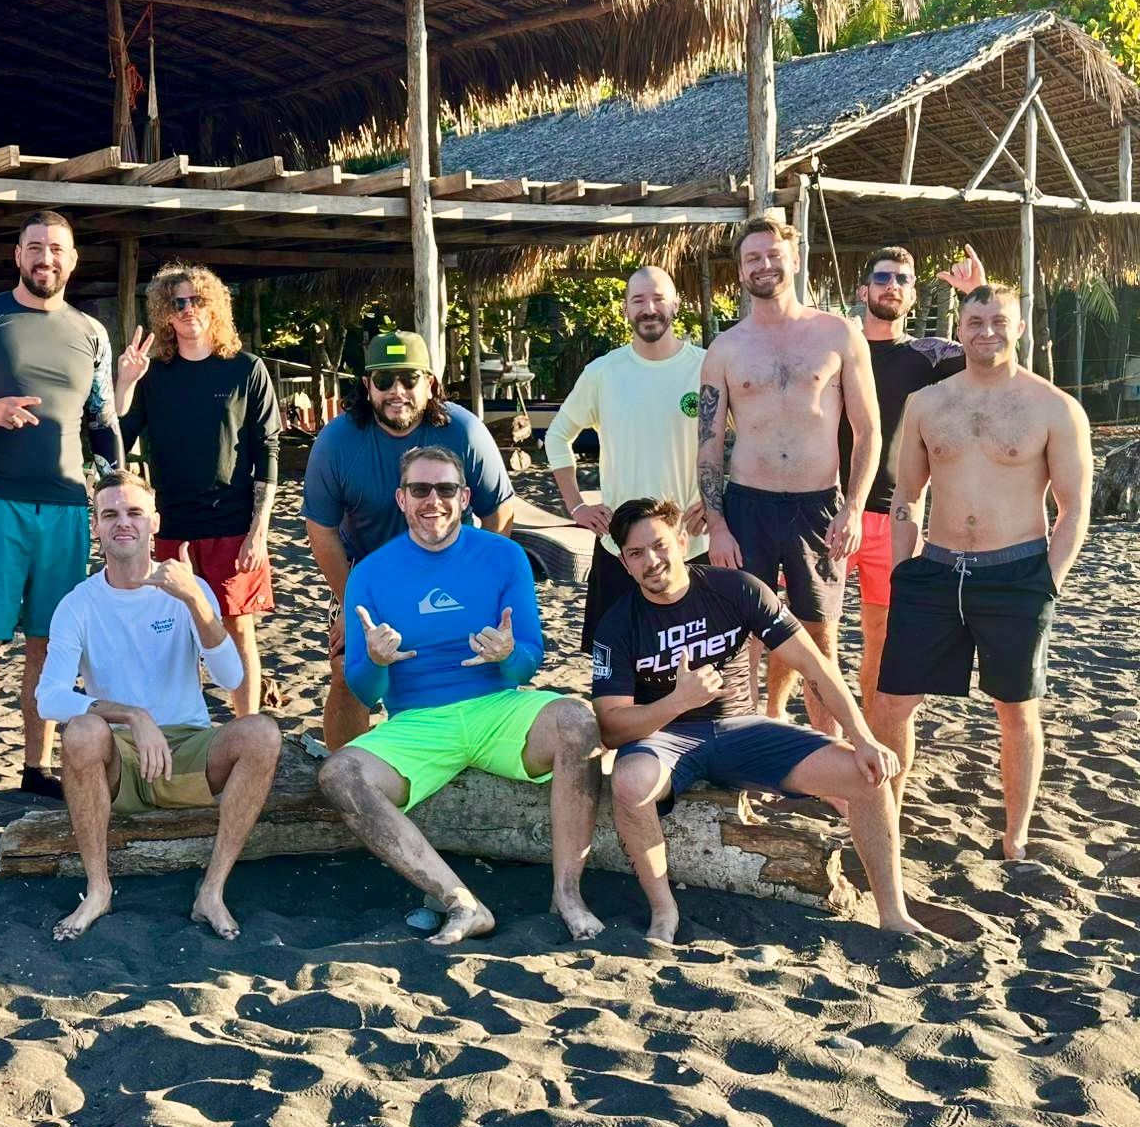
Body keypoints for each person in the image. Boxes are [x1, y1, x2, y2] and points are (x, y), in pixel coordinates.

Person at [592, 498, 925, 943]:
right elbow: (612, 728)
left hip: (740, 729)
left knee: (867, 775)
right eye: (636, 554)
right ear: (623, 562)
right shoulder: (616, 624)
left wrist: (863, 738)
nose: (652, 561)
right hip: (664, 739)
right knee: (629, 782)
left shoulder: (738, 589)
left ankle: (893, 913)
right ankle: (664, 911)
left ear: (683, 540)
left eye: (659, 545)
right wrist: (676, 702)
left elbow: (817, 668)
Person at [316, 447, 604, 944]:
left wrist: (509, 656)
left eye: (446, 489)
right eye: (421, 490)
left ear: (465, 497)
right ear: (401, 499)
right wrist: (379, 664)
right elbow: (365, 689)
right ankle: (460, 901)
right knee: (340, 774)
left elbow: (530, 659)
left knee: (577, 720)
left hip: (497, 708)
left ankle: (567, 893)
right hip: (417, 721)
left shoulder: (503, 555)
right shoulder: (370, 573)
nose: (434, 501)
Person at [875, 284, 1092, 861]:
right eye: (975, 320)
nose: (986, 330)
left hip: (1017, 573)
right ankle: (888, 816)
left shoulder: (1054, 407)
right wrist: (903, 571)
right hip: (936, 571)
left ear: (1018, 327)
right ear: (959, 325)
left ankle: (1015, 834)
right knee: (893, 701)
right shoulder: (927, 403)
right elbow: (907, 495)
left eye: (999, 320)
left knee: (1016, 708)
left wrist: (1050, 582)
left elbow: (1074, 508)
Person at [0, 209, 124, 819]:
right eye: (35, 247)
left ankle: (35, 766)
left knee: (50, 643)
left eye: (57, 249)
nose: (47, 258)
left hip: (67, 507)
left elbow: (102, 419)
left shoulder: (91, 331)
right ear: (18, 256)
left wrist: (115, 479)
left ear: (72, 259)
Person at [36, 471, 279, 940]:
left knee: (262, 732)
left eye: (133, 513)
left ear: (154, 522)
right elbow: (49, 697)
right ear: (97, 528)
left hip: (186, 748)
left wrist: (195, 601)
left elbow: (233, 678)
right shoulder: (78, 603)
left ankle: (212, 891)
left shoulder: (187, 588)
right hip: (120, 756)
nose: (122, 523)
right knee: (81, 731)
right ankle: (99, 889)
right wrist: (131, 714)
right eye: (110, 514)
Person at [697, 217, 879, 734]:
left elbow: (867, 432)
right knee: (740, 639)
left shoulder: (838, 334)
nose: (765, 264)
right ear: (740, 271)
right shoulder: (726, 349)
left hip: (817, 507)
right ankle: (749, 755)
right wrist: (717, 523)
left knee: (820, 636)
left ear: (794, 260)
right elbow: (708, 444)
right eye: (753, 258)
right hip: (746, 507)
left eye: (774, 254)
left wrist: (854, 507)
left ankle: (832, 760)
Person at [303, 331, 515, 752]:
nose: (397, 391)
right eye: (384, 381)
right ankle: (343, 770)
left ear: (430, 383)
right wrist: (350, 603)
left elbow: (501, 513)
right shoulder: (337, 441)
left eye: (409, 379)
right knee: (347, 669)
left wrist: (476, 584)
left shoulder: (465, 432)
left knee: (477, 664)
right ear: (367, 386)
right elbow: (321, 530)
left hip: (451, 572)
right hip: (366, 575)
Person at [113, 261, 281, 718]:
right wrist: (125, 382)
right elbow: (116, 437)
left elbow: (268, 449)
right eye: (177, 303)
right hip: (170, 524)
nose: (188, 310)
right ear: (165, 313)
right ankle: (176, 724)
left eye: (197, 300)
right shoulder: (153, 374)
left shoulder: (246, 369)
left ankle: (247, 726)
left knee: (236, 626)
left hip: (233, 522)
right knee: (169, 629)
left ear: (216, 306)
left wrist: (259, 530)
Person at [831, 244, 984, 715]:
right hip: (828, 511)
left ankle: (874, 733)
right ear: (863, 290)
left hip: (895, 517)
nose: (891, 286)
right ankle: (786, 724)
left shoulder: (931, 357)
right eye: (882, 278)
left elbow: (995, 360)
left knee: (881, 634)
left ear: (914, 296)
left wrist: (977, 293)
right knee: (813, 633)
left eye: (902, 279)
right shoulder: (832, 352)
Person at [545, 265, 708, 652]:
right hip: (620, 548)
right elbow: (557, 436)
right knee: (617, 664)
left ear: (676, 304)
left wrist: (721, 499)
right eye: (638, 300)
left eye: (657, 298)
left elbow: (749, 435)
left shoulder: (707, 366)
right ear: (625, 310)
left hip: (692, 543)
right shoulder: (604, 372)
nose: (649, 308)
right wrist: (576, 505)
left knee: (692, 663)